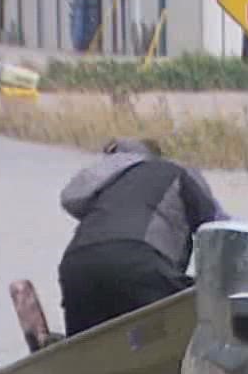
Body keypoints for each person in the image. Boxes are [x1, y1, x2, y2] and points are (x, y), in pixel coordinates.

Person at [56, 138, 227, 337]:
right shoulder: (177, 173)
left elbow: (72, 200)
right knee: (194, 316)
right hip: (138, 261)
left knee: (84, 347)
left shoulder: (108, 181)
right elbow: (220, 229)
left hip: (76, 265)